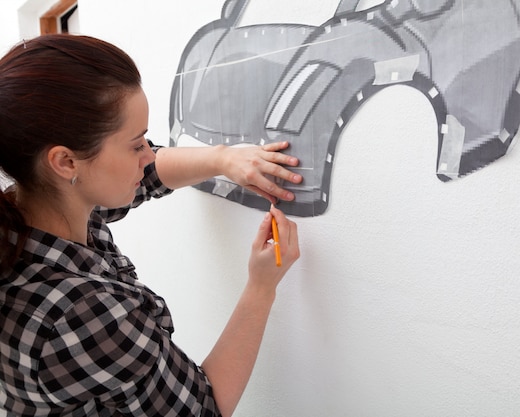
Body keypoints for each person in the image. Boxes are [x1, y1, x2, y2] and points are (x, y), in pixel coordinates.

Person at [0, 34, 301, 417]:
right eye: (136, 143)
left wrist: (224, 159)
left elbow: (150, 174)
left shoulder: (35, 211)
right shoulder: (78, 311)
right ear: (65, 162)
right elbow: (202, 409)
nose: (148, 153)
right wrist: (262, 288)